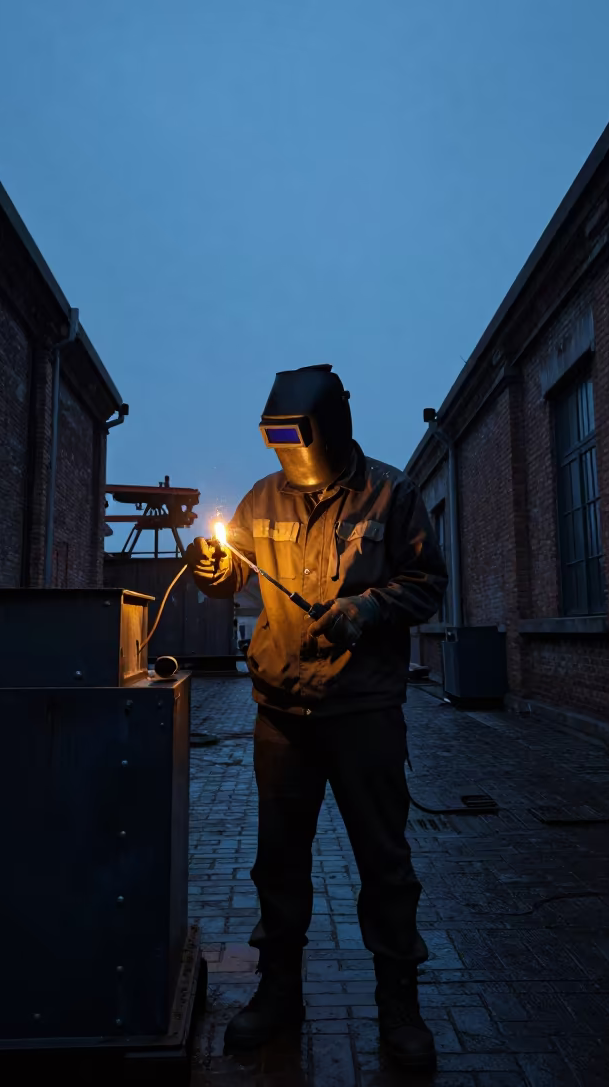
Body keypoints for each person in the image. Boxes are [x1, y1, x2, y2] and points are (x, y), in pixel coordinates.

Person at [186, 364, 448, 1070]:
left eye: (300, 441)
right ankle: (278, 996)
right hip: (283, 715)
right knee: (279, 862)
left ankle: (400, 1008)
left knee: (385, 865)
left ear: (331, 430)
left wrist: (365, 609)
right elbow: (234, 571)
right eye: (279, 445)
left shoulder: (393, 492)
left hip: (363, 711)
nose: (290, 458)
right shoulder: (262, 497)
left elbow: (428, 585)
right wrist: (215, 571)